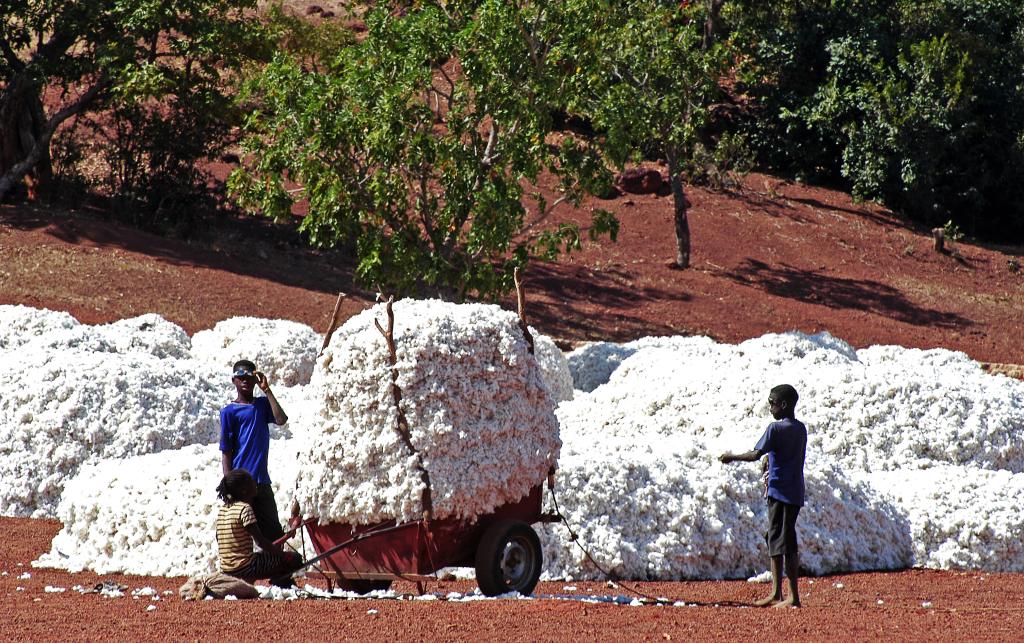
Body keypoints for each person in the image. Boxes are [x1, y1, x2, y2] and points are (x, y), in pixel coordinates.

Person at [719, 384, 806, 608]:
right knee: (775, 536)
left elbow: (755, 454)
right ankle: (777, 593)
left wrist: (731, 456)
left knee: (783, 540)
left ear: (783, 405)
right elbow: (788, 455)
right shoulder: (800, 428)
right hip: (794, 490)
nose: (769, 407)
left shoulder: (774, 429)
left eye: (772, 403)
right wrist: (771, 458)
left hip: (780, 491)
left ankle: (791, 597)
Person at [219, 359, 289, 542]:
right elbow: (226, 450)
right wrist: (228, 483)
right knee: (244, 533)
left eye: (250, 377)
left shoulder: (262, 405)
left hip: (261, 481)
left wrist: (267, 390)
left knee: (274, 532)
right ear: (233, 380)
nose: (245, 381)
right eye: (240, 377)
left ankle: (276, 567)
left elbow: (281, 420)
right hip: (241, 483)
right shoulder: (229, 412)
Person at [215, 468, 303, 587]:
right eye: (252, 482)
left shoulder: (223, 511)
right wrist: (282, 555)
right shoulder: (245, 509)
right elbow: (260, 542)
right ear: (244, 490)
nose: (255, 484)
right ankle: (281, 583)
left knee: (268, 556)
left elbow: (219, 539)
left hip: (226, 568)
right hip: (245, 568)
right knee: (295, 558)